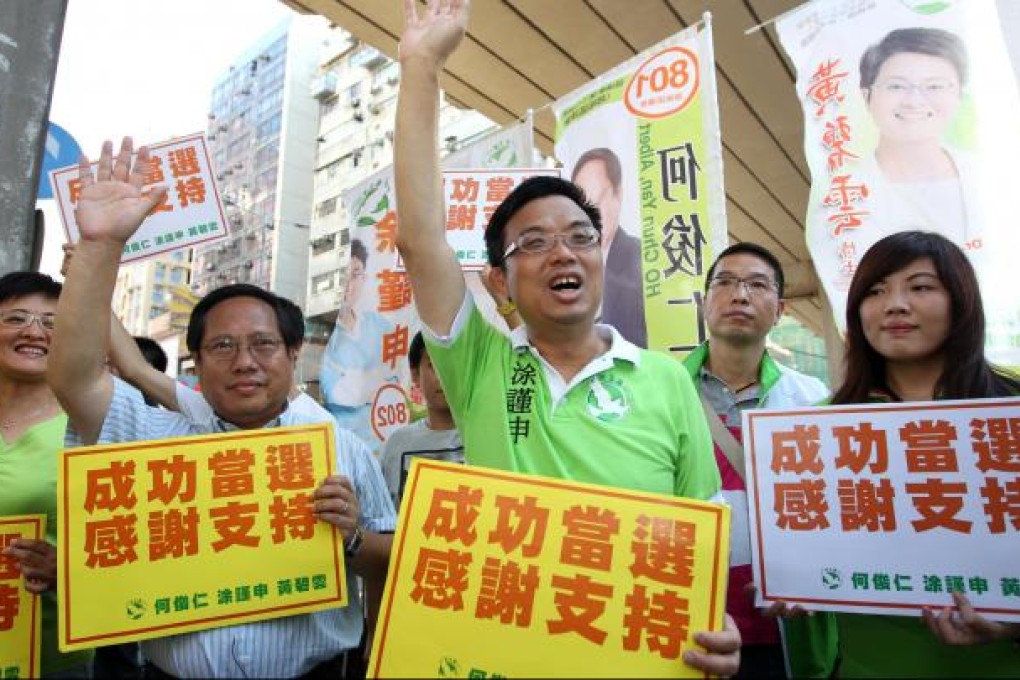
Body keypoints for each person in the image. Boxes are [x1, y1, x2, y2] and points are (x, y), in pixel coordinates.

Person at [393, 0, 739, 674]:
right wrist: (420, 67)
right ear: (499, 281)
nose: (563, 254)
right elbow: (418, 238)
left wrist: (713, 625)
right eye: (535, 243)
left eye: (581, 237)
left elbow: (699, 532)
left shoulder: (667, 381)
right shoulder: (478, 364)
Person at [48, 137, 395, 679]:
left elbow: (392, 559)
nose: (244, 363)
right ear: (196, 361)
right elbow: (74, 377)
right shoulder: (152, 435)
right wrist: (99, 248)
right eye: (223, 347)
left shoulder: (342, 449)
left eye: (263, 345)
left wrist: (350, 537)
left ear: (293, 353)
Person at [786, 230, 1020, 678]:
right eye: (875, 291)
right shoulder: (816, 430)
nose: (894, 304)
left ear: (961, 301)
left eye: (920, 287)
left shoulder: (1009, 410)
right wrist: (790, 579)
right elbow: (806, 556)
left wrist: (1011, 626)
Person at [682, 243, 829, 678]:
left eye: (756, 285)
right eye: (724, 282)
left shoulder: (814, 401)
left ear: (780, 309)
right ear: (704, 301)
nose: (739, 295)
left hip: (788, 633)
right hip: (689, 631)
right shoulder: (660, 391)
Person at [0, 271, 94, 678]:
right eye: (16, 318)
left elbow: (135, 539)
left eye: (52, 323)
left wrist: (67, 572)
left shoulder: (92, 427)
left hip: (49, 652)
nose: (34, 332)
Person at [855, 27, 978, 246]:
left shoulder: (991, 176)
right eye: (896, 86)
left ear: (958, 94)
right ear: (867, 96)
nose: (914, 101)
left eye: (934, 86)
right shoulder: (844, 198)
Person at [319, 238, 400, 450]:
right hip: (345, 446)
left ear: (365, 278)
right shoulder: (326, 335)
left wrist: (365, 381)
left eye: (355, 274)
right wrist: (374, 381)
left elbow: (396, 379)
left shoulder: (379, 325)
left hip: (387, 443)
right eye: (343, 276)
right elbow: (339, 393)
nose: (349, 284)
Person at [571, 147, 646, 347]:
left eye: (598, 200)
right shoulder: (566, 266)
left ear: (618, 194)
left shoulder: (643, 259)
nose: (590, 214)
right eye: (582, 205)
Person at [379, 332, 464, 507]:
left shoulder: (491, 439)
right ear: (415, 375)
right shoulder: (397, 444)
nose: (445, 376)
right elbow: (382, 519)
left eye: (456, 364)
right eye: (435, 365)